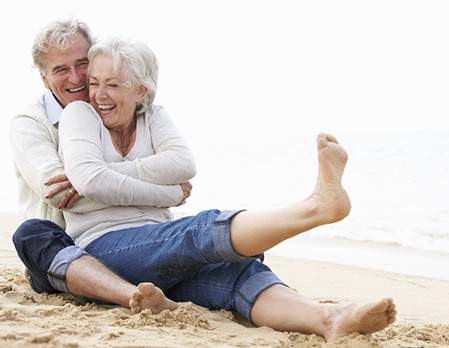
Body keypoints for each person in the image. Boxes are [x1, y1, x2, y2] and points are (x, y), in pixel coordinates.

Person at [33, 34, 395, 342]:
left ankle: (328, 318)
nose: (98, 94)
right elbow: (90, 180)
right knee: (196, 231)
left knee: (235, 273)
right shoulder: (79, 115)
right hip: (106, 247)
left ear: (140, 90)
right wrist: (170, 194)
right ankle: (316, 207)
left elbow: (183, 164)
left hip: (159, 244)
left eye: (113, 84)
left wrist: (114, 172)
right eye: (94, 82)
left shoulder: (155, 117)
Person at [10, 17, 184, 314]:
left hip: (129, 239)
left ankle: (143, 291)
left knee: (231, 253)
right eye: (61, 69)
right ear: (43, 76)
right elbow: (59, 194)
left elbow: (166, 163)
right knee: (31, 233)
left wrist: (98, 178)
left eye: (82, 64)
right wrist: (170, 194)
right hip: (66, 251)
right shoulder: (30, 123)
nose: (77, 78)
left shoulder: (112, 106)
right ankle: (132, 294)